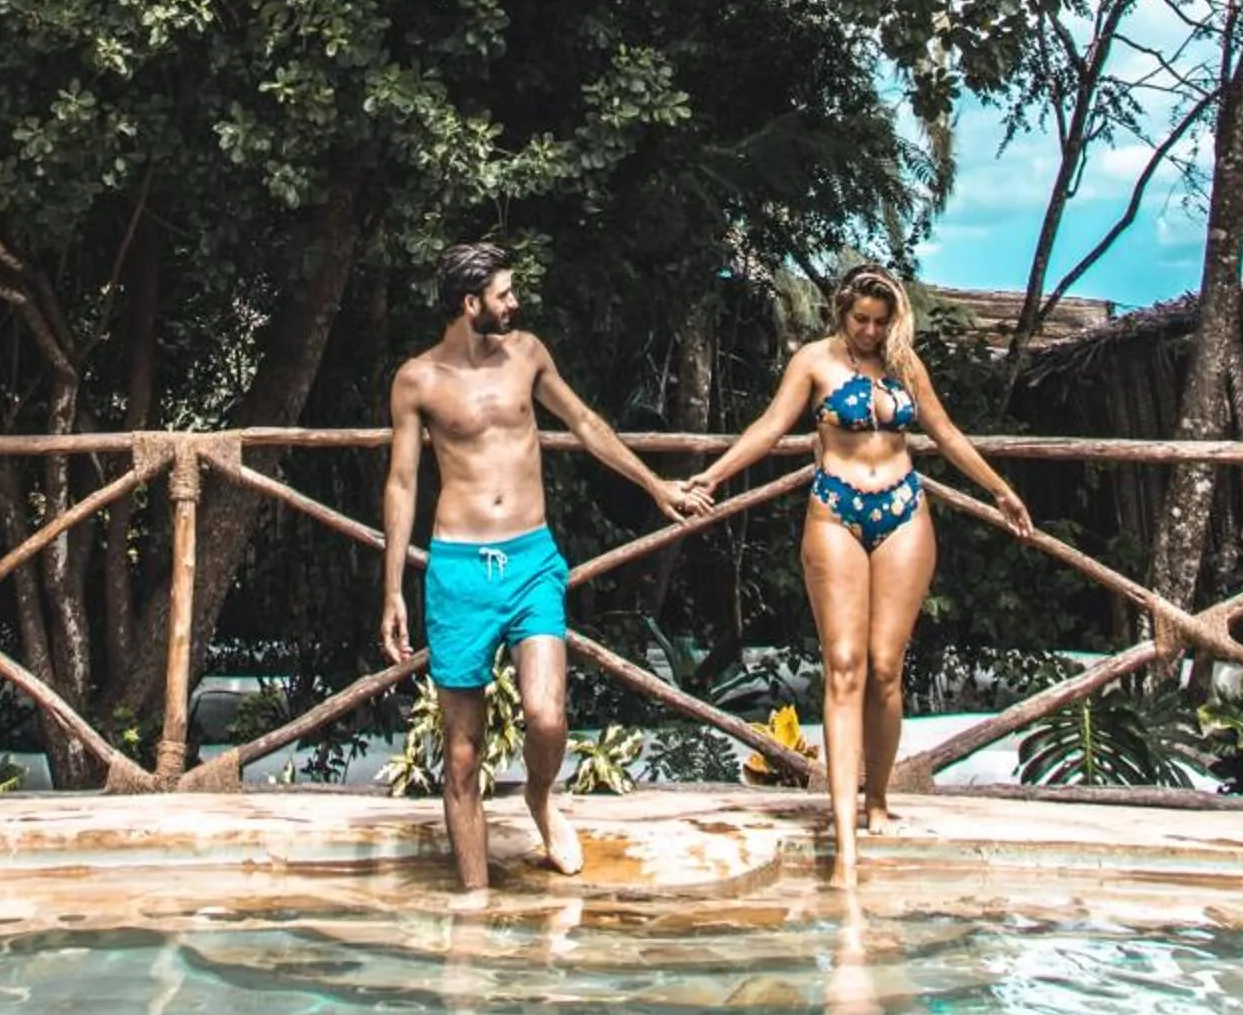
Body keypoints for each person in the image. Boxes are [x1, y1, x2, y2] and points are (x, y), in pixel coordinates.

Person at [379, 241, 707, 894]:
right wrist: (391, 587)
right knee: (463, 753)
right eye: (504, 294)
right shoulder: (417, 380)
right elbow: (402, 485)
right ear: (470, 304)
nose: (515, 302)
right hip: (459, 569)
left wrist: (655, 485)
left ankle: (538, 796)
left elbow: (584, 421)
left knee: (548, 714)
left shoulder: (526, 353)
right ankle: (473, 905)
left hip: (530, 559)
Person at [695, 264, 1033, 888]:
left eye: (881, 322)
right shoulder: (814, 362)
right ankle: (844, 835)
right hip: (836, 510)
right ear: (841, 314)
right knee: (843, 665)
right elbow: (770, 427)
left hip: (904, 508)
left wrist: (1000, 490)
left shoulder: (904, 364)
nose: (871, 332)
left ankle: (877, 795)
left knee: (884, 667)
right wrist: (713, 476)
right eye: (861, 321)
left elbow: (945, 432)